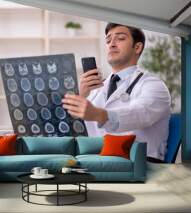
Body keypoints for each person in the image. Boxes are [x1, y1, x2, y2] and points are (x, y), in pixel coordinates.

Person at [62, 23, 171, 162]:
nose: (111, 44)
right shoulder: (95, 88)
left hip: (138, 162)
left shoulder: (153, 85)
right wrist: (80, 97)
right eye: (108, 40)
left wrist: (99, 114)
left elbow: (141, 113)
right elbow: (76, 130)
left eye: (120, 38)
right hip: (96, 160)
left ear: (137, 47)